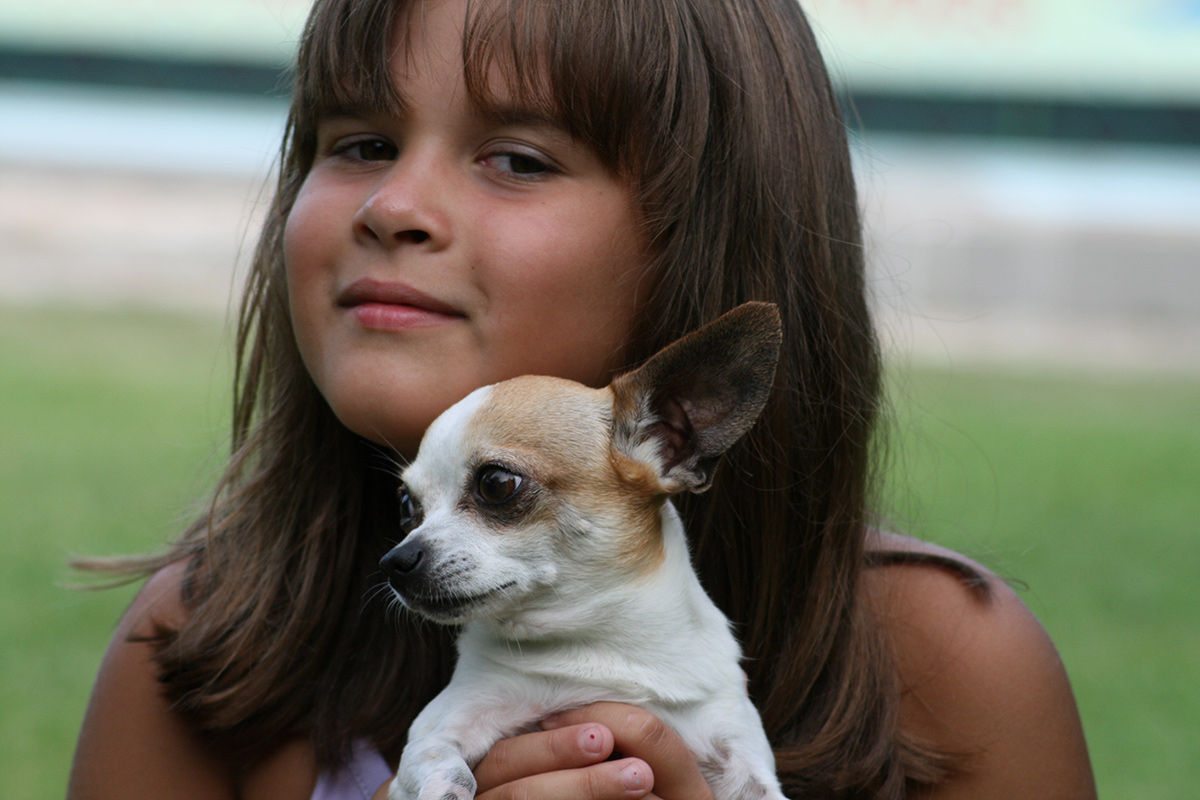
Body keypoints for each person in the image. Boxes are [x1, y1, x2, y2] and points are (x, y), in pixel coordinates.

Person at [67, 0, 1097, 798]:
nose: (394, 206)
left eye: (516, 158)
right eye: (360, 143)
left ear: (702, 239)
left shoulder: (946, 660)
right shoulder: (209, 645)